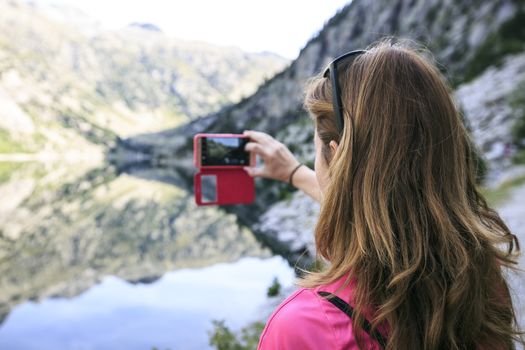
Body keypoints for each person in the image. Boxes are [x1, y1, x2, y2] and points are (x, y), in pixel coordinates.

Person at [242, 39, 523, 349]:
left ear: (336, 158)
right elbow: (391, 204)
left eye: (317, 153)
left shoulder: (305, 326)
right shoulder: (481, 275)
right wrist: (295, 172)